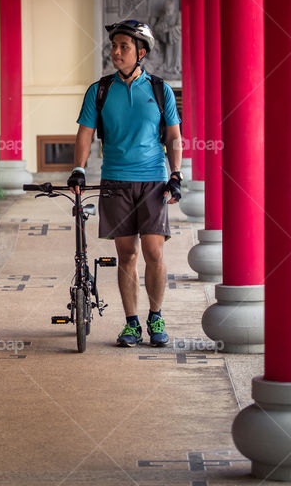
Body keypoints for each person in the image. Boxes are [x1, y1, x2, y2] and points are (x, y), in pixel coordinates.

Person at [68, 20, 183, 347]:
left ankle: (155, 314)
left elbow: (174, 136)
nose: (115, 52)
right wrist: (78, 168)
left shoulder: (160, 90)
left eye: (124, 47)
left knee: (153, 252)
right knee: (127, 254)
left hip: (152, 180)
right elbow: (85, 133)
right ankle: (132, 322)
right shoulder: (100, 90)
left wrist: (176, 174)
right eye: (113, 46)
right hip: (115, 180)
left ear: (141, 53)